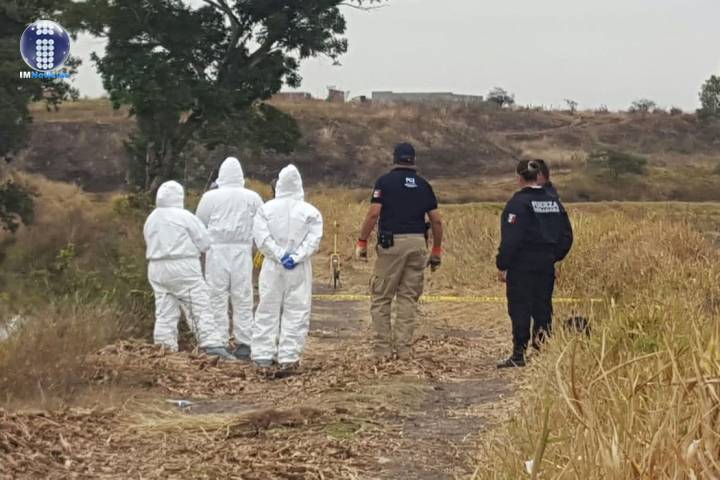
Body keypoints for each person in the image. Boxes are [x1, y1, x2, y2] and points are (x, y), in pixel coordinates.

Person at [355, 143, 443, 360]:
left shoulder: (384, 182)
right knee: (408, 297)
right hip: (417, 244)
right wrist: (436, 249)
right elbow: (436, 221)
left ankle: (383, 349)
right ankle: (404, 349)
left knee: (381, 297)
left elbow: (373, 214)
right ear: (413, 160)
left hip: (392, 244)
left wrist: (362, 241)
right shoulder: (424, 185)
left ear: (394, 159)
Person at [143, 180, 235, 359]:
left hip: (156, 267)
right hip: (183, 266)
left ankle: (164, 348)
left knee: (164, 309)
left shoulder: (152, 218)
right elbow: (205, 242)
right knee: (199, 305)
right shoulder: (184, 216)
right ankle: (212, 345)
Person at [495, 160, 573, 368]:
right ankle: (541, 351)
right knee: (543, 307)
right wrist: (553, 256)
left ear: (519, 177)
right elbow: (566, 236)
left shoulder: (518, 203)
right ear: (539, 176)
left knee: (520, 307)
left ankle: (519, 353)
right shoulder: (553, 202)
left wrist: (503, 264)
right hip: (546, 263)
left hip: (522, 265)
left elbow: (511, 238)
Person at [251, 165, 323, 370]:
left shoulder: (265, 209)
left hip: (273, 265)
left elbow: (262, 238)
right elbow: (313, 240)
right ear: (299, 184)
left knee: (267, 308)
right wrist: (296, 256)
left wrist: (279, 254)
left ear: (279, 184)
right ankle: (288, 357)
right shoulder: (310, 212)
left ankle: (262, 355)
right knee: (297, 309)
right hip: (298, 268)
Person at [196, 157, 263, 360]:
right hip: (242, 251)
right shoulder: (253, 197)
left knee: (216, 296)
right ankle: (245, 343)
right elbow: (262, 224)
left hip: (216, 251)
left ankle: (218, 342)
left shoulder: (210, 197)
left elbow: (199, 223)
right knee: (243, 296)